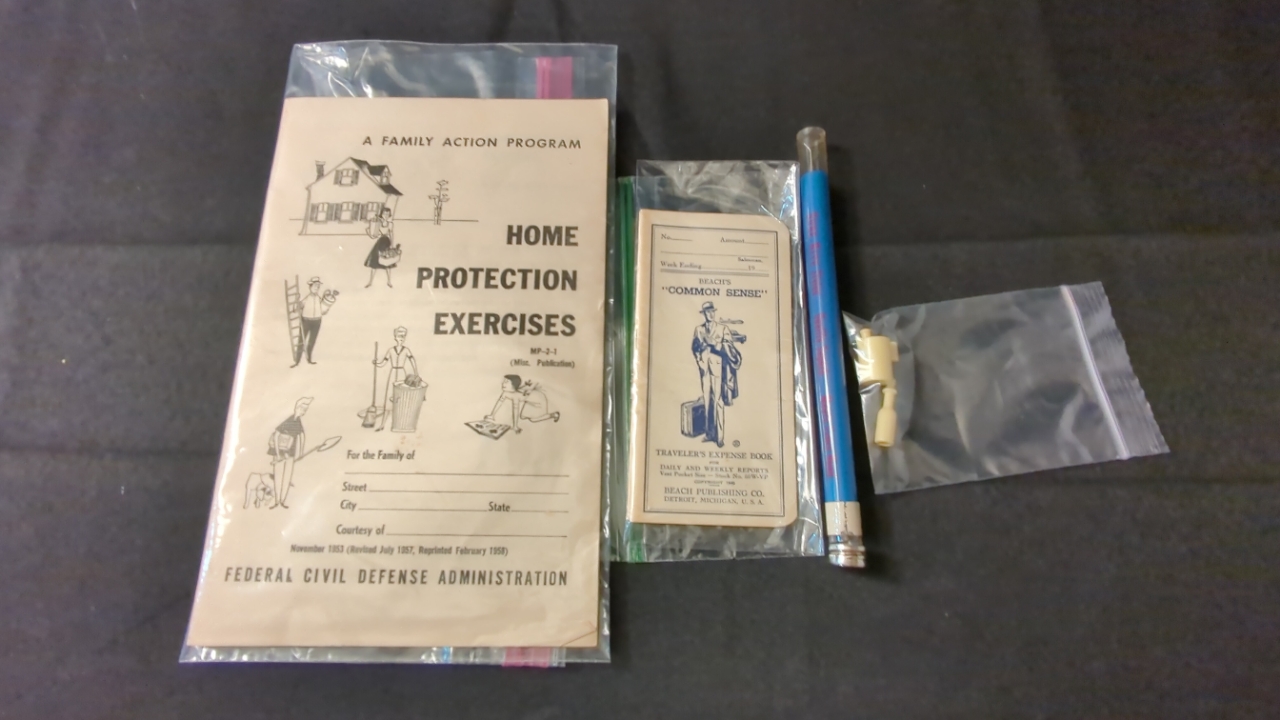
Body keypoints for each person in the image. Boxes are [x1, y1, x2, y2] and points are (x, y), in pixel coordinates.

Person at [691, 302, 745, 448]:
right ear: (704, 314)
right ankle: (709, 434)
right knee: (707, 401)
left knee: (718, 401)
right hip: (705, 370)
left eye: (712, 311)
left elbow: (729, 347)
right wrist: (699, 361)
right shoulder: (699, 329)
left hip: (719, 369)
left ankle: (719, 437)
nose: (710, 314)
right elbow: (695, 347)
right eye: (707, 312)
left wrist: (716, 345)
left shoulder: (723, 329)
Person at [268, 397, 311, 509]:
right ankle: (276, 501)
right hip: (279, 452)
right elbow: (276, 435)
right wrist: (278, 454)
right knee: (278, 477)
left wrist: (301, 452)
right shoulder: (288, 420)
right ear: (297, 408)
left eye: (305, 410)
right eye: (303, 409)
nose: (304, 412)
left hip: (291, 453)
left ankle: (282, 501)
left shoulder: (298, 422)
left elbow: (302, 436)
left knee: (287, 476)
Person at [373, 326, 418, 432]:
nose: (401, 338)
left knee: (402, 400)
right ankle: (382, 425)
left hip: (402, 374)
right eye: (399, 336)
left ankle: (402, 425)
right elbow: (383, 363)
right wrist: (376, 363)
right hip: (392, 373)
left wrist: (416, 373)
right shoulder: (390, 350)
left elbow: (412, 361)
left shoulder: (406, 350)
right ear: (395, 337)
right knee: (388, 401)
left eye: (403, 336)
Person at [484, 375, 559, 434]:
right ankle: (550, 414)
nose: (503, 383)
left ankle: (554, 415)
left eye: (506, 382)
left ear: (513, 385)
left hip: (539, 401)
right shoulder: (505, 392)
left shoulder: (515, 396)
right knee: (523, 416)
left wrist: (515, 426)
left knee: (533, 419)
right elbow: (499, 402)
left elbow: (515, 411)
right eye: (504, 381)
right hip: (530, 401)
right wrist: (492, 415)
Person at [292, 277, 333, 367]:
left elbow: (323, 312)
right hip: (306, 321)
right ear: (310, 287)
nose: (316, 287)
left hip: (317, 322)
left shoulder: (319, 299)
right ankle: (297, 361)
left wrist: (327, 305)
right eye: (315, 285)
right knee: (301, 341)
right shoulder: (307, 299)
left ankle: (309, 359)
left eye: (318, 286)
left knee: (312, 341)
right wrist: (296, 300)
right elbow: (295, 309)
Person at [364, 206, 398, 288]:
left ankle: (389, 282)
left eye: (387, 214)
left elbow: (391, 234)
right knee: (374, 263)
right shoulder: (377, 222)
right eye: (384, 214)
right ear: (381, 214)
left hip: (386, 242)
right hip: (379, 243)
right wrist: (373, 235)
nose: (386, 215)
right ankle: (370, 282)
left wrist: (392, 245)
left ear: (389, 215)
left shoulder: (390, 224)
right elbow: (369, 230)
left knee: (388, 263)